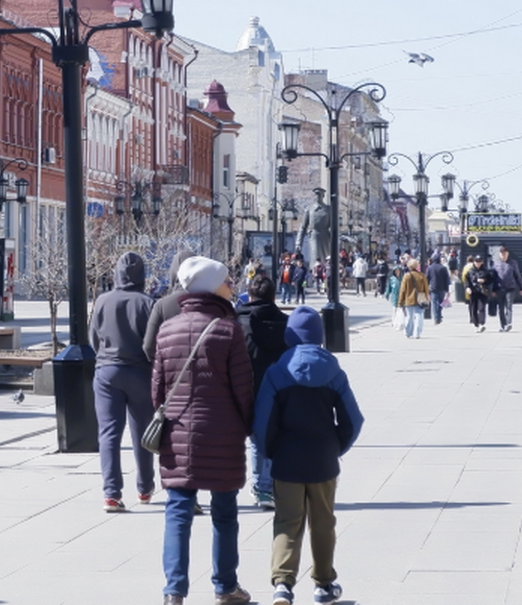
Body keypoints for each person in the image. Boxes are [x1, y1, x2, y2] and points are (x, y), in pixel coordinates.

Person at [153, 256, 254, 605]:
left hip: (177, 431)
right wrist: (249, 425)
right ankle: (225, 586)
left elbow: (157, 389)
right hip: (222, 432)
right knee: (225, 511)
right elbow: (243, 387)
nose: (232, 286)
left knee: (178, 510)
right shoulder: (228, 330)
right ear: (212, 287)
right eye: (227, 281)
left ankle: (174, 591)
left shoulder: (168, 329)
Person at [253, 306, 364, 605]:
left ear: (290, 335)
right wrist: (336, 446)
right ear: (320, 335)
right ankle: (324, 584)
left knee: (288, 521)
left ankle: (282, 585)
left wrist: (269, 452)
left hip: (287, 460)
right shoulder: (333, 371)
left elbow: (262, 423)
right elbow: (353, 420)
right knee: (323, 522)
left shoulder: (277, 372)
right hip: (323, 460)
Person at [90, 252, 158, 512]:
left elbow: (93, 339)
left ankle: (111, 493)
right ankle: (145, 487)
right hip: (140, 371)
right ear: (142, 276)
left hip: (107, 371)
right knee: (142, 432)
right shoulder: (148, 303)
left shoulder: (102, 301)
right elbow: (153, 343)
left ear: (116, 273)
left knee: (109, 433)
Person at [235, 274, 289, 511]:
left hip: (245, 387)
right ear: (273, 296)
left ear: (250, 295)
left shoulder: (239, 322)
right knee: (270, 438)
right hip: (277, 388)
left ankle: (260, 486)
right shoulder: (286, 323)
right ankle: (267, 486)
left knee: (254, 440)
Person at [493, 246, 522, 332]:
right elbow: (494, 277)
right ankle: (503, 325)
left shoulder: (513, 263)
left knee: (509, 306)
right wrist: (493, 289)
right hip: (499, 288)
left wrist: (521, 287)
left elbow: (517, 275)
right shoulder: (496, 264)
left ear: (508, 254)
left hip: (510, 288)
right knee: (501, 308)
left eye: (505, 254)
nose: (503, 255)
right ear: (499, 254)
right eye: (502, 254)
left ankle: (508, 323)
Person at [398, 259, 430, 339]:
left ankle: (408, 332)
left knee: (409, 316)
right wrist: (427, 297)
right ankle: (417, 333)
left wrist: (400, 301)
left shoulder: (406, 276)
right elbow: (426, 288)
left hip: (409, 299)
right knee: (419, 316)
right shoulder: (421, 275)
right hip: (420, 299)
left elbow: (402, 290)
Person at [466, 255, 494, 332]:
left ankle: (482, 323)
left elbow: (490, 280)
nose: (478, 263)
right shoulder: (470, 271)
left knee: (481, 307)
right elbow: (467, 281)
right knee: (473, 308)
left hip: (482, 291)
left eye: (479, 261)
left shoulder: (485, 271)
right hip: (473, 291)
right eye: (476, 261)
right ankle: (476, 324)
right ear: (474, 262)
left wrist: (484, 281)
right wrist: (467, 287)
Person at [424, 255, 451, 325]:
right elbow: (446, 280)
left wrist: (426, 288)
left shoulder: (430, 268)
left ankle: (436, 318)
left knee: (434, 303)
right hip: (442, 288)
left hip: (433, 287)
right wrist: (447, 290)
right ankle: (439, 315)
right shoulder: (443, 268)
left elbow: (427, 278)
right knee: (441, 303)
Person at [386, 264, 404, 330]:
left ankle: (400, 322)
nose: (397, 272)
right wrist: (387, 294)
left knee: (400, 310)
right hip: (394, 296)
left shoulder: (403, 278)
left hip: (401, 296)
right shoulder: (392, 279)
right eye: (395, 271)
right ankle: (394, 322)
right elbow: (389, 287)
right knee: (394, 310)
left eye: (398, 271)